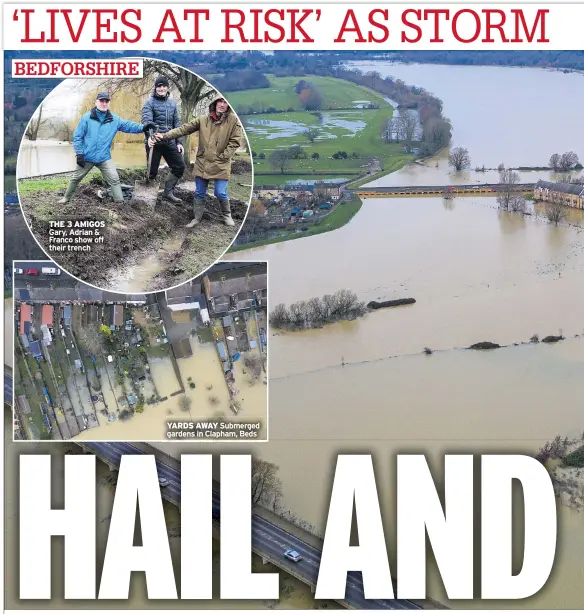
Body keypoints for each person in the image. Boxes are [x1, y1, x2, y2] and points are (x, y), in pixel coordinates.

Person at [150, 94, 243, 228]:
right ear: (215, 103)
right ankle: (197, 218)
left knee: (220, 192)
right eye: (220, 101)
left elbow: (235, 142)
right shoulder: (203, 119)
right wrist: (164, 136)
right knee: (199, 192)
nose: (222, 104)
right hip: (202, 162)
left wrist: (223, 156)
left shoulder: (233, 121)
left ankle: (227, 215)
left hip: (221, 163)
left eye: (225, 102)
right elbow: (183, 129)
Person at [58, 92, 155, 204]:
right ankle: (66, 198)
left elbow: (128, 126)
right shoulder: (86, 118)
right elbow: (78, 136)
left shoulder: (115, 119)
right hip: (86, 156)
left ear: (109, 103)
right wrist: (79, 153)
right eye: (101, 101)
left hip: (104, 157)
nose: (104, 103)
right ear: (96, 102)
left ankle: (119, 202)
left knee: (114, 179)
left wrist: (143, 127)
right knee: (75, 178)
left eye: (106, 101)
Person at [141, 76, 186, 204]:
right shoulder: (149, 102)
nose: (161, 88)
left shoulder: (172, 104)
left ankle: (168, 193)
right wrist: (150, 137)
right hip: (154, 142)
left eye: (164, 86)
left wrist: (179, 142)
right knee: (152, 172)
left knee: (179, 167)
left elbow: (177, 124)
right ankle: (145, 198)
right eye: (159, 86)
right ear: (155, 88)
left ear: (167, 88)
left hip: (170, 141)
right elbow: (146, 121)